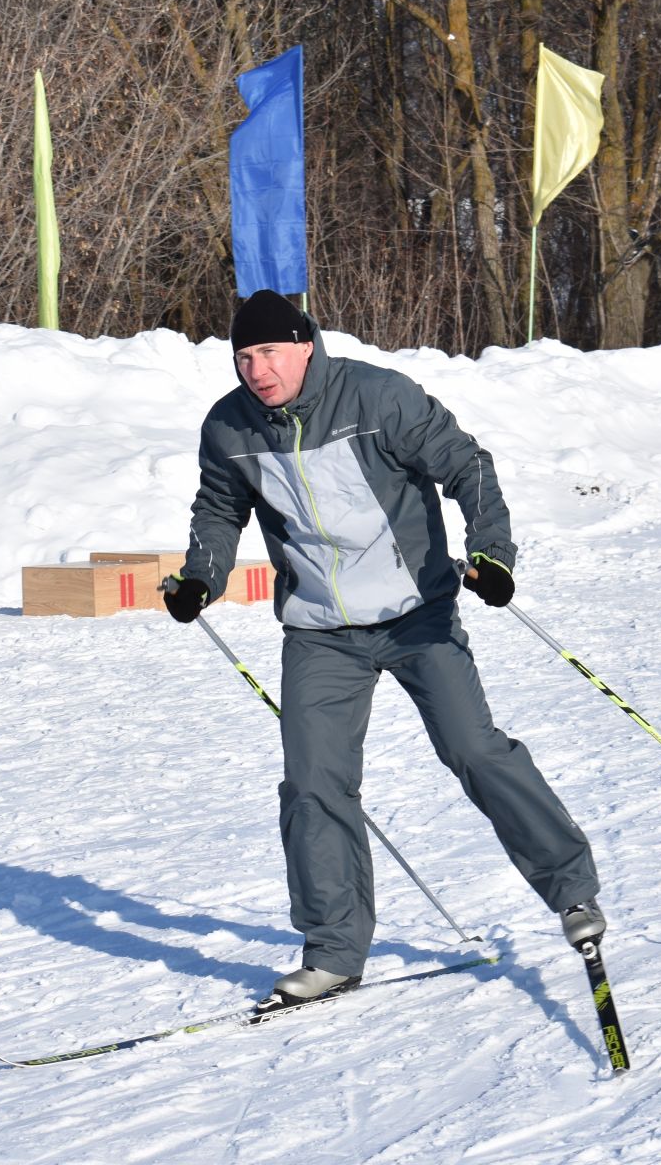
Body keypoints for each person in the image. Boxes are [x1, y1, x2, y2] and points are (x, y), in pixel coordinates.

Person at [165, 289, 605, 1003]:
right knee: (313, 784)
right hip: (320, 632)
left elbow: (468, 466)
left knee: (473, 749)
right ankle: (334, 949)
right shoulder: (230, 426)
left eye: (269, 352)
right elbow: (219, 508)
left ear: (306, 344)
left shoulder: (378, 399)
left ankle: (571, 891)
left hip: (415, 615)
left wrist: (491, 554)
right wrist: (200, 577)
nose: (257, 369)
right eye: (244, 357)